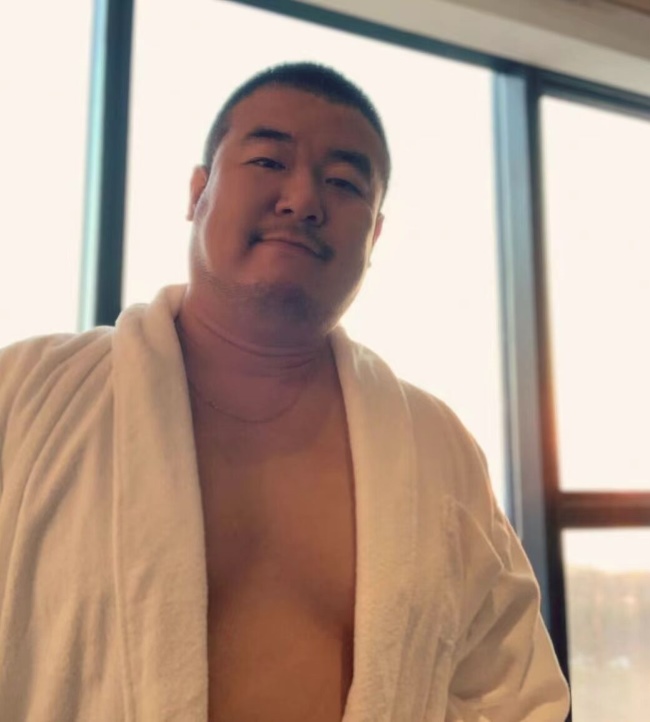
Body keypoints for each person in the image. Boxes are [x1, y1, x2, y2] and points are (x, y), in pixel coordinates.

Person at [0, 62, 569, 721]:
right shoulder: (26, 394)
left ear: (374, 235)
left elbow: (516, 692)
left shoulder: (434, 444)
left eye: (344, 182)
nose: (303, 200)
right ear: (198, 192)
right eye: (269, 161)